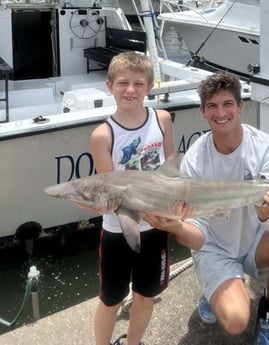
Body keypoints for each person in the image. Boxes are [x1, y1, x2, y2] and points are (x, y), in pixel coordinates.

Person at [144, 71, 269, 345]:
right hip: (215, 246)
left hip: (255, 240)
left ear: (241, 106)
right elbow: (198, 235)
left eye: (228, 103)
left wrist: (268, 213)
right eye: (212, 106)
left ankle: (267, 316)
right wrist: (177, 227)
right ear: (203, 111)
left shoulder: (265, 148)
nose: (221, 112)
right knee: (236, 320)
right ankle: (213, 287)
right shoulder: (195, 159)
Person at [90, 51, 174, 345]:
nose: (130, 90)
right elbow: (111, 193)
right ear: (109, 85)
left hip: (155, 229)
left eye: (139, 83)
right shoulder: (103, 135)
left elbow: (170, 170)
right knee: (111, 300)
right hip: (117, 231)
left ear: (150, 87)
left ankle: (132, 342)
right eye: (123, 82)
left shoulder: (162, 119)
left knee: (145, 296)